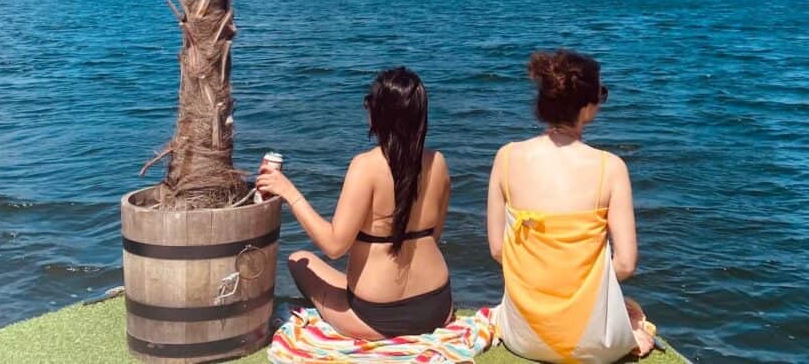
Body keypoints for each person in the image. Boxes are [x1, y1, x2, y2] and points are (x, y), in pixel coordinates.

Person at [256, 67, 453, 339]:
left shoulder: (366, 166)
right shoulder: (438, 162)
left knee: (298, 259)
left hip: (376, 317)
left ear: (378, 114)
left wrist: (288, 191)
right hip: (437, 306)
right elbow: (435, 235)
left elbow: (334, 246)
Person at [487, 49, 654, 363]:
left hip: (522, 336)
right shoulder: (610, 168)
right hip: (591, 343)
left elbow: (498, 250)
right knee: (632, 313)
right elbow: (625, 264)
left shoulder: (506, 157)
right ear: (588, 107)